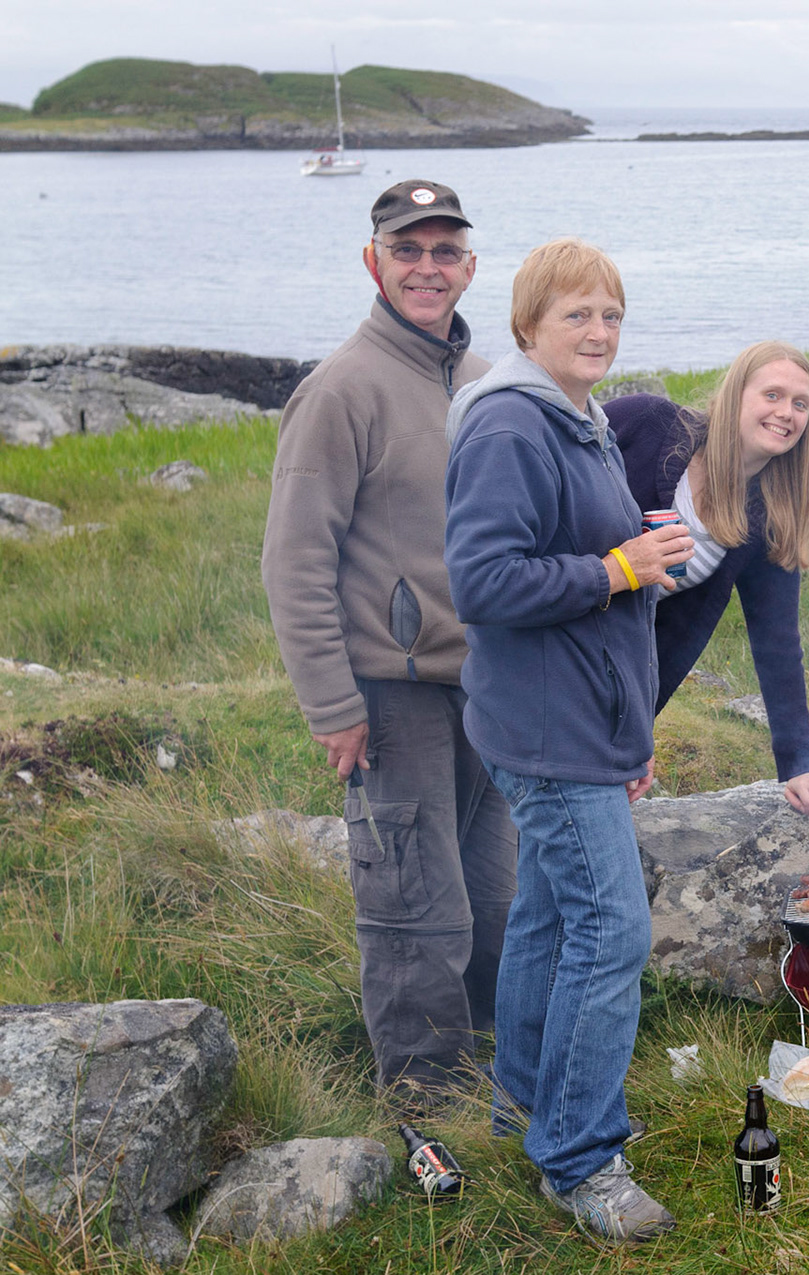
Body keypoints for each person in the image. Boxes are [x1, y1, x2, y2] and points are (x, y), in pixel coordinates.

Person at [443, 238, 692, 1242]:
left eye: (611, 315)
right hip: (543, 730)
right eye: (577, 314)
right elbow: (486, 585)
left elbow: (575, 556)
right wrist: (619, 568)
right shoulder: (510, 424)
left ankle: (522, 1107)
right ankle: (582, 1161)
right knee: (612, 931)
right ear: (528, 326)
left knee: (548, 918)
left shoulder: (576, 418)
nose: (598, 331)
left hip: (577, 721)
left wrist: (632, 552)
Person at [261, 178, 517, 1102]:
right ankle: (423, 1100)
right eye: (408, 249)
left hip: (489, 690)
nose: (427, 267)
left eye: (445, 250)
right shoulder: (339, 390)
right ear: (374, 262)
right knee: (417, 909)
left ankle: (496, 1069)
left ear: (470, 268)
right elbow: (295, 562)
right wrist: (334, 706)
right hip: (390, 694)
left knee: (495, 900)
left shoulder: (489, 381)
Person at [603, 341, 809, 814]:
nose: (786, 413)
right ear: (735, 395)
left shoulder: (766, 515)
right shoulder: (646, 423)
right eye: (771, 395)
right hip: (545, 656)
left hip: (619, 697)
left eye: (800, 404)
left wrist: (798, 763)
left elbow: (777, 642)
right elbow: (548, 483)